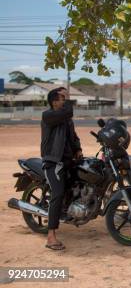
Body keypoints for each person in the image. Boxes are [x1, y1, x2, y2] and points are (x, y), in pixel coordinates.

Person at [40, 87, 82, 251]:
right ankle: (51, 237)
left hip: (67, 161)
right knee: (57, 194)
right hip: (53, 161)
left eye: (65, 98)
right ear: (54, 101)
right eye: (62, 98)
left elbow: (73, 136)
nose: (65, 101)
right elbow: (68, 111)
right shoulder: (48, 115)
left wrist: (78, 149)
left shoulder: (66, 120)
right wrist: (68, 99)